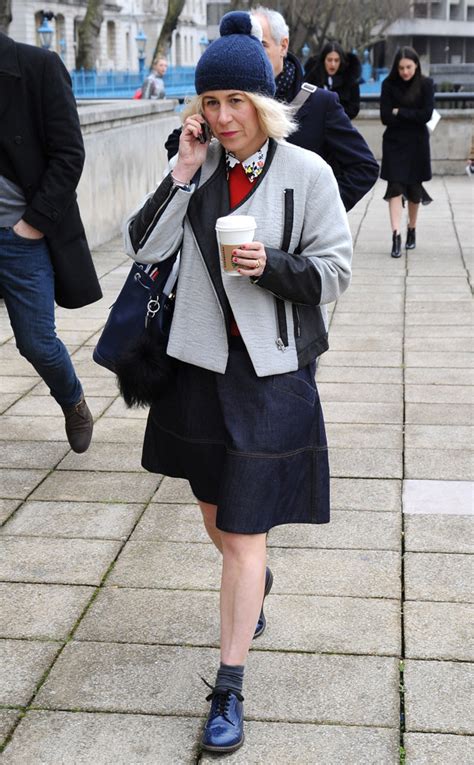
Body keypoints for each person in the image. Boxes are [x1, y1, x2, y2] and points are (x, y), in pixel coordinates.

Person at [123, 10, 352, 755]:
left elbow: (335, 271)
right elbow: (144, 248)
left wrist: (272, 268)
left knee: (243, 532)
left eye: (236, 102)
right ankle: (251, 580)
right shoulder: (199, 165)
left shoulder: (307, 172)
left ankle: (229, 685)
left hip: (268, 373)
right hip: (196, 367)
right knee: (216, 518)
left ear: (264, 103)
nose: (222, 117)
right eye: (210, 102)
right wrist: (182, 173)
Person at [165, 7, 378, 212]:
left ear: (283, 46)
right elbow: (177, 144)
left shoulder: (320, 103)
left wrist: (315, 212)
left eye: (261, 44)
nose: (250, 51)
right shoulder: (220, 102)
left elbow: (364, 168)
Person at [0, 32, 102, 452]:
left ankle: (73, 400)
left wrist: (33, 224)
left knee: (36, 342)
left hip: (21, 235)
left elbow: (69, 153)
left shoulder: (37, 66)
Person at [380, 46, 434, 258]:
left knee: (413, 188)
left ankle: (412, 229)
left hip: (417, 143)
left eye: (409, 67)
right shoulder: (388, 84)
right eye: (401, 67)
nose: (405, 72)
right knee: (394, 186)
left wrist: (400, 112)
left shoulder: (426, 84)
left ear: (416, 65)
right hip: (394, 143)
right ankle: (396, 235)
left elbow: (426, 114)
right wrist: (410, 115)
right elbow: (385, 116)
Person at [304, 41, 361, 120]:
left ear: (341, 61)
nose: (333, 64)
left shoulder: (350, 79)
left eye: (336, 60)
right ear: (324, 60)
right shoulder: (312, 77)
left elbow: (354, 108)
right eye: (329, 60)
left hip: (341, 125)